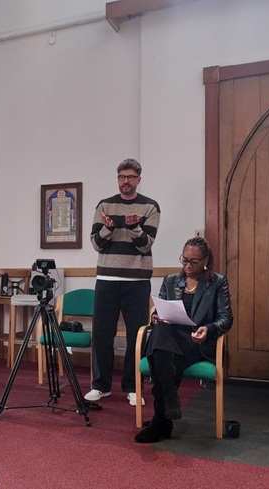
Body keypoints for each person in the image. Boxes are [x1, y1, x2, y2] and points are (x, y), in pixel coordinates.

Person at [134, 236, 233, 443]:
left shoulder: (218, 282)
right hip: (169, 337)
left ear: (205, 260)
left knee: (160, 352)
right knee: (161, 333)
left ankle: (161, 420)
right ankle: (168, 406)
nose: (187, 265)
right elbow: (159, 310)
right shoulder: (171, 280)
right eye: (184, 260)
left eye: (194, 262)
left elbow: (226, 318)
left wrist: (208, 328)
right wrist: (156, 316)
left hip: (196, 341)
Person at [86, 158, 160, 407]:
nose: (125, 181)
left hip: (136, 280)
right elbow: (97, 244)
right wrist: (107, 229)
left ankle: (132, 386)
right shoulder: (104, 205)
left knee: (135, 335)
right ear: (117, 179)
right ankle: (100, 386)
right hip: (106, 278)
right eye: (121, 177)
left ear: (138, 179)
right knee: (101, 334)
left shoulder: (150, 206)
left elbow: (145, 245)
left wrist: (135, 227)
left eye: (130, 177)